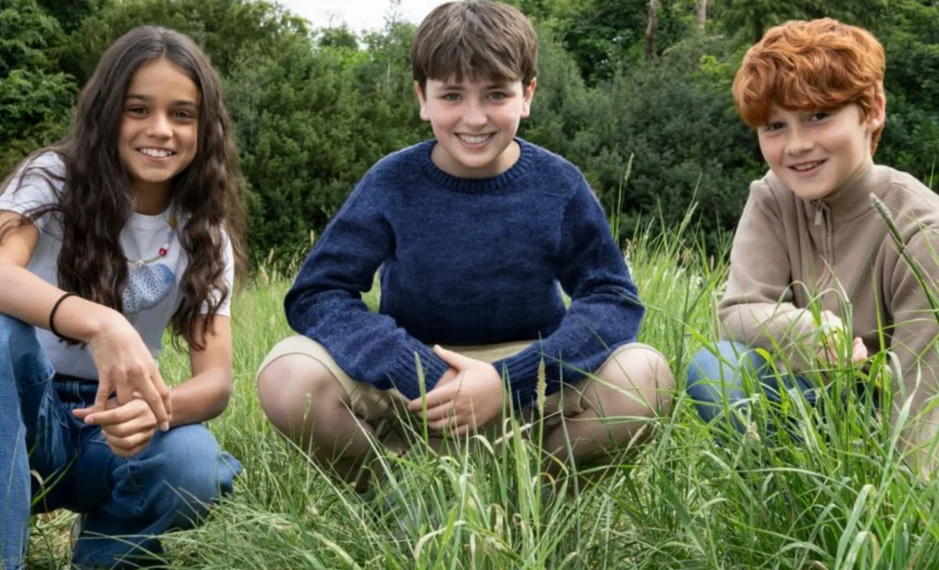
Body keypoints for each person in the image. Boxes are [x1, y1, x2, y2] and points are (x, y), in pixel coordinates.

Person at [257, 0, 672, 491]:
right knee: (287, 375)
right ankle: (403, 494)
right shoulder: (392, 181)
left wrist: (510, 380)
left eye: (496, 93)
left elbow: (612, 297)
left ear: (527, 94)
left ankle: (530, 496)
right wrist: (415, 368)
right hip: (412, 385)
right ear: (423, 97)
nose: (474, 118)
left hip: (529, 384)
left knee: (646, 375)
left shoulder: (558, 184)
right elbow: (317, 293)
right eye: (452, 95)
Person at [0, 25, 245, 569]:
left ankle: (104, 556)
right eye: (138, 109)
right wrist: (103, 323)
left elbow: (215, 382)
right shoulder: (52, 177)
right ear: (106, 112)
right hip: (20, 412)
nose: (161, 129)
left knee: (194, 461)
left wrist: (156, 411)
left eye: (182, 114)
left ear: (205, 127)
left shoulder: (204, 232)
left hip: (116, 424)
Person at [685, 18, 939, 474]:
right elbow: (738, 310)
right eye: (775, 125)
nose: (797, 145)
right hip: (804, 400)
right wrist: (808, 332)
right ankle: (779, 499)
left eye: (819, 116)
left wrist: (910, 502)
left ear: (873, 110)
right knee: (715, 367)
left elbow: (929, 392)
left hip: (889, 412)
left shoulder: (927, 230)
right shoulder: (772, 197)